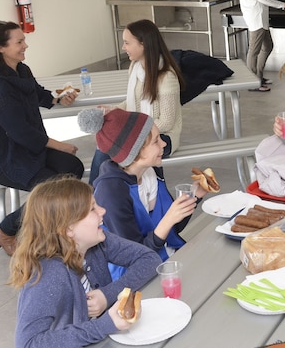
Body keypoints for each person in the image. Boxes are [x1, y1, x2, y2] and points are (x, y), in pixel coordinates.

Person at [10, 177, 158, 348]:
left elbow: (149, 259)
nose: (103, 211)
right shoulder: (49, 275)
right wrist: (103, 325)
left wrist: (107, 295)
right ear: (68, 229)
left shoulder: (94, 242)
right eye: (92, 209)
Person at [0, 21, 84, 256]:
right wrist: (60, 145)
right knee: (50, 187)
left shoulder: (21, 70)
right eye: (19, 41)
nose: (26, 45)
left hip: (28, 150)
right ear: (0, 48)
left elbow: (39, 94)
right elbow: (19, 131)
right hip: (4, 158)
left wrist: (59, 98)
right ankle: (6, 230)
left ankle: (50, 229)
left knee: (72, 168)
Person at [78, 107, 203, 268]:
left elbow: (171, 229)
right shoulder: (111, 193)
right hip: (134, 277)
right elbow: (133, 256)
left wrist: (195, 196)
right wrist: (169, 219)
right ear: (135, 151)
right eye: (156, 140)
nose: (164, 143)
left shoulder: (151, 172)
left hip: (167, 258)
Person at [87, 18, 185, 183]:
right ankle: (98, 195)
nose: (123, 47)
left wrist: (135, 129)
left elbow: (167, 123)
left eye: (127, 43)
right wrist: (113, 111)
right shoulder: (135, 67)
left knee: (110, 147)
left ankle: (96, 195)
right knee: (105, 144)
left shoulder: (166, 77)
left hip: (162, 138)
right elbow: (131, 102)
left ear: (143, 45)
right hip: (142, 132)